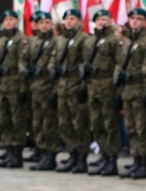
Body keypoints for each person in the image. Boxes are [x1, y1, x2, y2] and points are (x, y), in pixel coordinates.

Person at [115, 8, 146, 179]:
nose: (135, 22)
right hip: (128, 91)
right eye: (132, 18)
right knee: (131, 129)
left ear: (145, 22)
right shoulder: (127, 42)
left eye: (139, 19)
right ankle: (137, 161)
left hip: (141, 90)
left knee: (142, 129)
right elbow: (120, 64)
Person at [50, 9, 92, 174]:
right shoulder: (60, 40)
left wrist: (83, 87)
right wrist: (52, 67)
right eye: (66, 18)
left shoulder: (84, 39)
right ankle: (72, 154)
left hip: (76, 84)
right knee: (65, 123)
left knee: (79, 124)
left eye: (72, 18)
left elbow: (86, 62)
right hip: (63, 85)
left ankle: (81, 157)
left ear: (80, 21)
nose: (68, 21)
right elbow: (53, 57)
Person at [0, 10, 29, 169]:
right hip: (1, 85)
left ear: (16, 21)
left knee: (16, 119)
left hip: (15, 84)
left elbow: (23, 63)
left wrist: (23, 89)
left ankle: (17, 153)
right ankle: (9, 149)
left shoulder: (21, 40)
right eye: (5, 20)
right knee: (5, 119)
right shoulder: (0, 40)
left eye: (11, 19)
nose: (8, 22)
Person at [85, 9, 125, 177]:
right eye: (99, 19)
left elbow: (119, 63)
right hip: (93, 87)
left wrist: (116, 86)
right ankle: (104, 155)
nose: (102, 22)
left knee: (110, 125)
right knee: (97, 124)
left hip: (108, 86)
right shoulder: (91, 40)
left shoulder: (115, 41)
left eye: (104, 19)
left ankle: (112, 159)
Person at [20, 11, 58, 171]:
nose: (44, 25)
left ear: (52, 25)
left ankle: (50, 155)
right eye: (42, 22)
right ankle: (41, 152)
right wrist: (24, 69)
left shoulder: (57, 42)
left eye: (47, 22)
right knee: (37, 123)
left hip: (48, 87)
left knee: (49, 123)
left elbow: (55, 64)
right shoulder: (33, 41)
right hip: (35, 88)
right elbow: (23, 58)